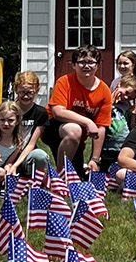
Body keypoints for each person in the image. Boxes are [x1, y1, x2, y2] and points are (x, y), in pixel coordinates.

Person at [47, 45, 114, 175]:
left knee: (78, 173)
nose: (86, 66)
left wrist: (95, 159)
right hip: (53, 128)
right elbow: (58, 112)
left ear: (97, 65)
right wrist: (88, 122)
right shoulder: (64, 81)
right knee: (74, 129)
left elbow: (101, 127)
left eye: (91, 62)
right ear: (73, 65)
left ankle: (68, 171)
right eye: (81, 62)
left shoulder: (104, 91)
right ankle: (60, 177)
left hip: (78, 136)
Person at [103, 76, 136, 171]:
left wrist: (133, 115)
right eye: (126, 92)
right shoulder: (105, 99)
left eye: (130, 98)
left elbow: (131, 127)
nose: (125, 97)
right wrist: (111, 102)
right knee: (104, 172)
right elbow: (101, 118)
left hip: (122, 146)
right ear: (120, 85)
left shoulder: (126, 106)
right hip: (107, 147)